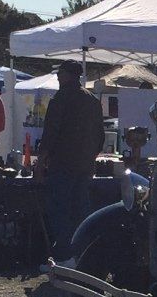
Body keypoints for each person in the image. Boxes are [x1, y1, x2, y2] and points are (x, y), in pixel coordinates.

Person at [36, 61, 106, 262]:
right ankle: (82, 256)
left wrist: (40, 165)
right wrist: (89, 158)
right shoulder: (92, 100)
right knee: (81, 212)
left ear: (67, 75)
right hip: (84, 165)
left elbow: (50, 134)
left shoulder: (61, 98)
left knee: (60, 211)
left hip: (62, 164)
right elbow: (100, 136)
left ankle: (64, 256)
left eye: (60, 73)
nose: (58, 77)